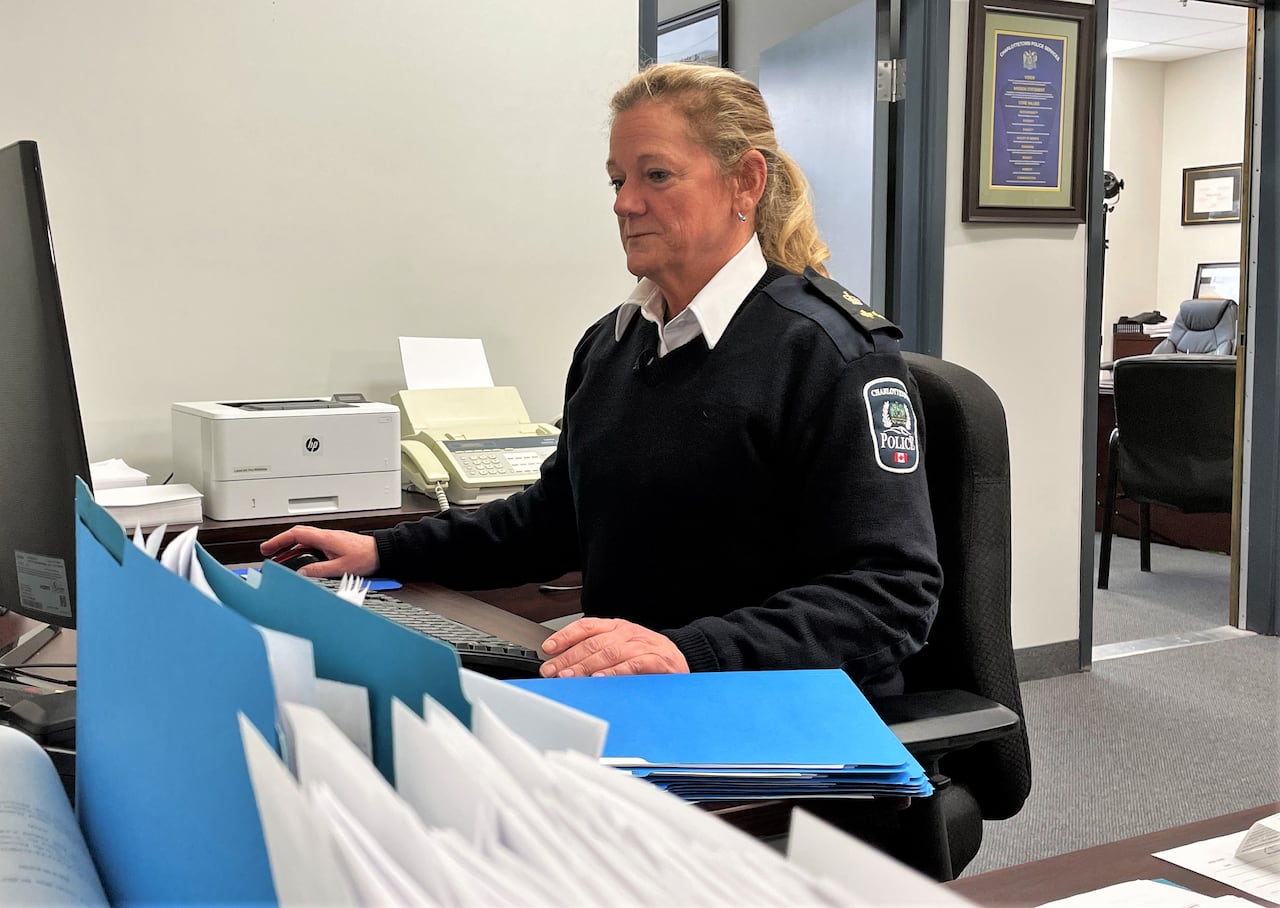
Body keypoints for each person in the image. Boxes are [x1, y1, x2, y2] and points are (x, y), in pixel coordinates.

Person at [261, 62, 941, 696]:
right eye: (618, 180)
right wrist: (381, 550)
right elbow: (555, 522)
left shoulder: (830, 353)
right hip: (638, 690)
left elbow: (889, 596)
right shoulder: (614, 345)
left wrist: (688, 652)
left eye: (657, 176)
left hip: (769, 705)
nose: (625, 204)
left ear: (746, 182)